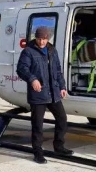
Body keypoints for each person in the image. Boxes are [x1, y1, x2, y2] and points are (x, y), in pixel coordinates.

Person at [16, 26, 73, 164]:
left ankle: (59, 146)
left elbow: (58, 71)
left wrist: (62, 87)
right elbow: (21, 69)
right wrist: (32, 79)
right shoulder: (28, 52)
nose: (42, 42)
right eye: (39, 39)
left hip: (53, 92)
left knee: (62, 119)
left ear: (48, 38)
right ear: (36, 38)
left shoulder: (52, 51)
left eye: (44, 39)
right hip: (38, 93)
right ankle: (38, 153)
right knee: (38, 125)